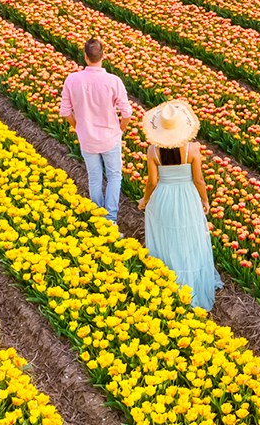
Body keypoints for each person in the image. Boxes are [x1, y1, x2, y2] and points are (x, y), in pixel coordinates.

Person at [139, 99, 220, 311]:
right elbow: (199, 180)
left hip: (164, 197)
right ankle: (191, 287)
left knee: (168, 240)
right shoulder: (192, 149)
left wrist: (145, 200)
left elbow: (152, 182)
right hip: (187, 197)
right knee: (189, 239)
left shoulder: (153, 151)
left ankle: (170, 287)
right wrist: (204, 200)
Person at [59, 38, 132, 224]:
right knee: (115, 176)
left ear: (85, 56)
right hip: (110, 137)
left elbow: (65, 111)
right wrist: (120, 129)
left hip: (87, 138)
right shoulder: (113, 81)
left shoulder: (72, 79)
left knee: (94, 177)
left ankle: (98, 218)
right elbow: (127, 112)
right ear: (103, 56)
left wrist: (78, 126)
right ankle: (110, 219)